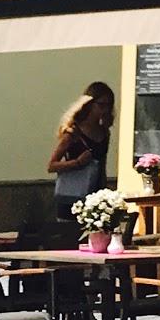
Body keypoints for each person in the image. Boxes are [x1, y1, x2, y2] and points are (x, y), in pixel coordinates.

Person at [48, 81, 115, 221]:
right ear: (89, 104)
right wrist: (77, 163)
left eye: (108, 106)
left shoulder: (104, 133)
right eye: (101, 105)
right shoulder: (73, 132)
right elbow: (52, 166)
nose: (105, 110)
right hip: (72, 197)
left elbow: (102, 166)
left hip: (94, 198)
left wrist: (105, 194)